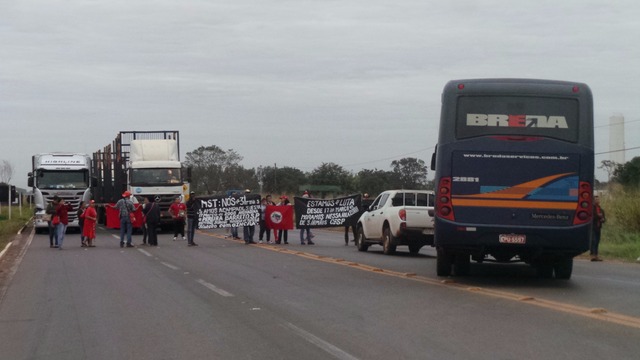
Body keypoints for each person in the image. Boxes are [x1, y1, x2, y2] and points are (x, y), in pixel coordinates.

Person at [591, 195, 606, 261]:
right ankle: (593, 255)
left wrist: (603, 219)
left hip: (598, 227)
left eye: (598, 199)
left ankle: (596, 255)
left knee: (597, 241)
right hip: (593, 227)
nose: (598, 200)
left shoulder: (601, 209)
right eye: (596, 199)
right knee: (593, 240)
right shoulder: (591, 209)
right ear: (593, 200)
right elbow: (591, 217)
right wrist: (598, 216)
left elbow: (604, 218)